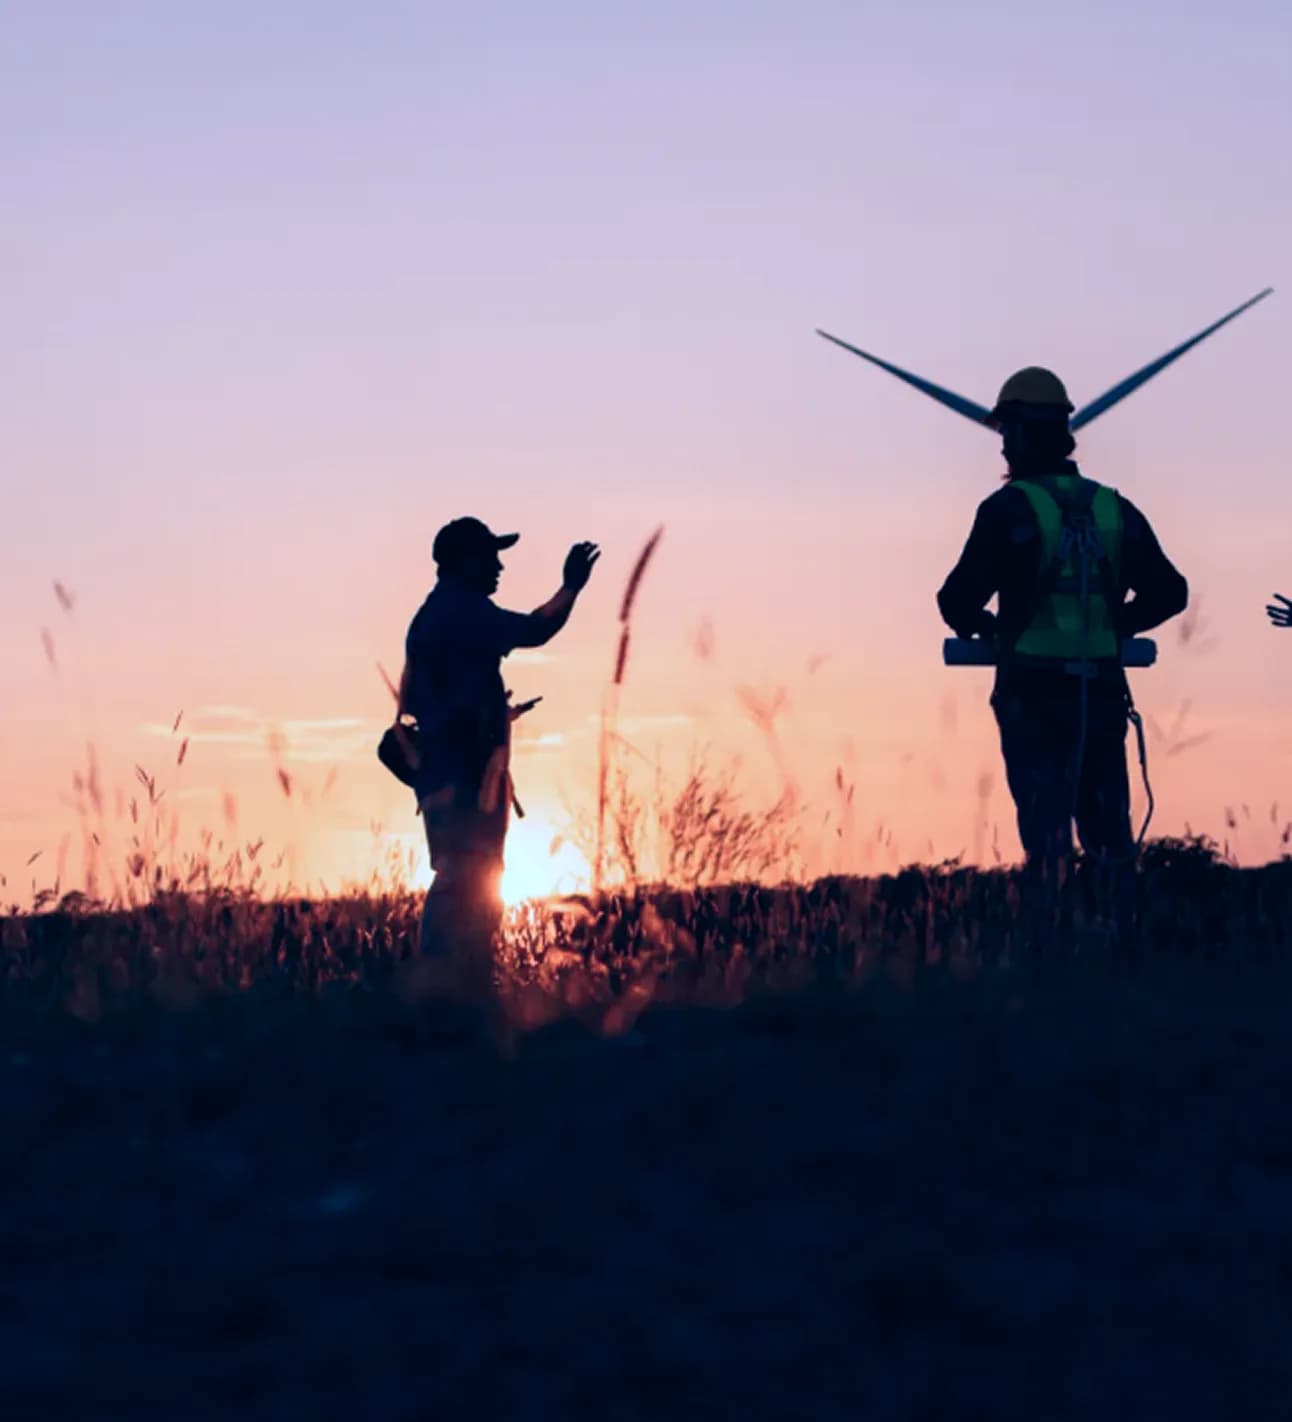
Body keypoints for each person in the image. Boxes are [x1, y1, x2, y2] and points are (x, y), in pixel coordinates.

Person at [937, 368, 1188, 943]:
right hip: (1099, 694)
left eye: (1006, 431)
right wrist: (1113, 626)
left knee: (1046, 838)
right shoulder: (1111, 508)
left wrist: (991, 630)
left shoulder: (1008, 509)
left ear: (1023, 434)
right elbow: (1170, 592)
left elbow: (956, 600)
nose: (1001, 443)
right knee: (1108, 838)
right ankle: (1119, 947)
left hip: (1032, 696)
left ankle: (1051, 952)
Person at [398, 517, 600, 991]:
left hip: (449, 773)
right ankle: (449, 988)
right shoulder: (463, 611)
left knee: (463, 876)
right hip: (465, 779)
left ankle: (454, 986)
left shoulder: (434, 615)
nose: (498, 566)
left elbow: (427, 701)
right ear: (462, 562)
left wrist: (493, 714)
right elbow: (536, 629)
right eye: (489, 556)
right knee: (466, 877)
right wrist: (571, 587)